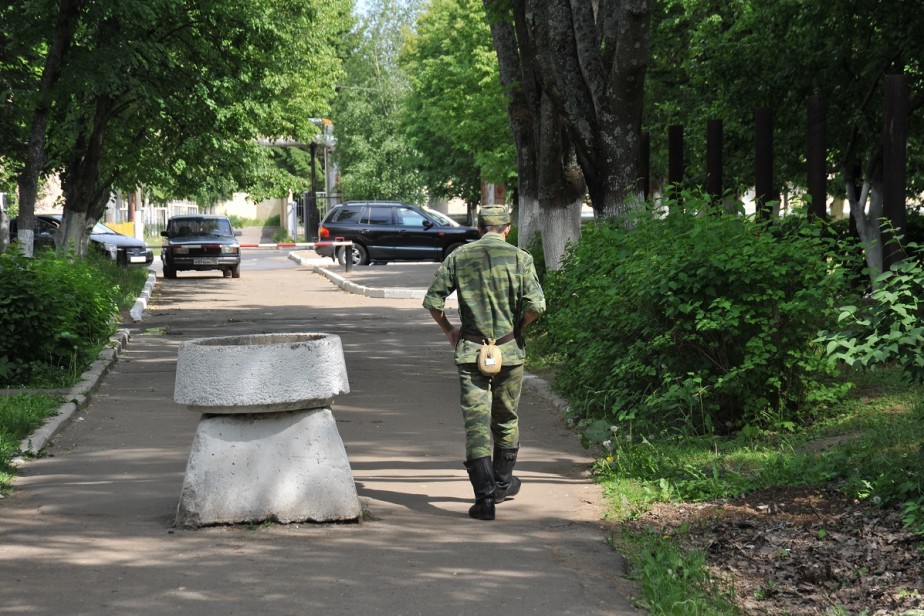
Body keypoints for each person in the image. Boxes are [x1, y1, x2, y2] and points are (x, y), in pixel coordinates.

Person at [423, 206, 546, 521]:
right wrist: (517, 329)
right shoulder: (521, 259)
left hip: (471, 352)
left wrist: (450, 330)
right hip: (509, 352)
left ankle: (485, 499)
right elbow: (537, 306)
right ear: (507, 229)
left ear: (478, 228)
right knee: (506, 420)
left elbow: (433, 301)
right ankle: (502, 484)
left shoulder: (460, 257)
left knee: (476, 425)